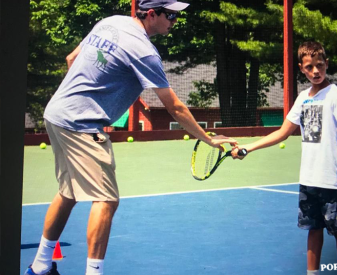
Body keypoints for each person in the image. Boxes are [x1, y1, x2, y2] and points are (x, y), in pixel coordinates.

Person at [24, 1, 237, 274]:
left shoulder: (111, 22)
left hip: (56, 113)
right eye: (170, 14)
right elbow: (175, 107)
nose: (175, 20)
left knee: (68, 192)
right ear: (151, 14)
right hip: (82, 124)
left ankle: (40, 266)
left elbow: (71, 59)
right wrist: (209, 139)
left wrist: (83, 94)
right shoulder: (145, 52)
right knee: (107, 199)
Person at [232, 41, 337, 275]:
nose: (315, 71)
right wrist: (248, 148)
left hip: (331, 181)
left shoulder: (335, 95)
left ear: (327, 64)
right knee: (313, 230)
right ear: (301, 68)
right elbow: (282, 132)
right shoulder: (303, 98)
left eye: (319, 65)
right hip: (308, 180)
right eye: (309, 67)